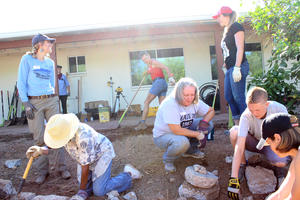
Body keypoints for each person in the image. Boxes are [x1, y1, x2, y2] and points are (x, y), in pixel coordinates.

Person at [26, 113, 142, 199]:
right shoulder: (64, 129)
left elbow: (85, 167)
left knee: (99, 191)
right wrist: (43, 149)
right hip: (84, 158)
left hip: (101, 154)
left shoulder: (83, 137)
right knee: (87, 188)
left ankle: (128, 175)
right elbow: (57, 140)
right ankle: (93, 183)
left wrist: (81, 191)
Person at [17, 33, 70, 184]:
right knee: (39, 137)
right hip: (34, 103)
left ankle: (61, 168)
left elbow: (51, 84)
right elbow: (21, 82)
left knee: (57, 133)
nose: (51, 46)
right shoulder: (26, 60)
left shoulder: (50, 62)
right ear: (39, 45)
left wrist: (54, 99)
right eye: (49, 43)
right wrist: (26, 103)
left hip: (51, 100)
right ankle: (43, 171)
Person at [227, 87, 290, 200]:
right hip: (254, 143)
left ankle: (278, 169)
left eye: (257, 110)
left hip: (272, 145)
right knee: (234, 132)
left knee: (282, 157)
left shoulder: (279, 109)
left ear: (267, 104)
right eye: (251, 110)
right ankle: (242, 165)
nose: (254, 113)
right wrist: (233, 179)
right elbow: (239, 148)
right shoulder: (246, 116)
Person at [153, 77, 215, 172]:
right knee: (182, 142)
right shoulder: (170, 104)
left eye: (192, 95)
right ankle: (168, 159)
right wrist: (198, 134)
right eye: (186, 95)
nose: (190, 98)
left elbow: (211, 111)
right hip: (164, 135)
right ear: (178, 93)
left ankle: (190, 151)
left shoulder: (194, 101)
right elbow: (176, 130)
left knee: (208, 124)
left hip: (183, 128)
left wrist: (203, 125)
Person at [213, 6, 249, 125]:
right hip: (230, 69)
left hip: (238, 66)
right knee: (229, 97)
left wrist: (237, 67)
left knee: (238, 97)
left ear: (226, 15)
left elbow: (240, 48)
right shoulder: (227, 31)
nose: (217, 20)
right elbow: (229, 52)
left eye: (218, 17)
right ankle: (238, 125)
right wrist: (225, 64)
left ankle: (247, 126)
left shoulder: (236, 27)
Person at [257, 113, 300, 200]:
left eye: (269, 143)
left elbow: (294, 198)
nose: (271, 148)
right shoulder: (296, 157)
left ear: (277, 138)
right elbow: (281, 193)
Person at [135, 52, 175, 131]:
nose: (145, 61)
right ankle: (167, 123)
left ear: (149, 56)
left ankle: (143, 123)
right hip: (162, 84)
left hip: (158, 83)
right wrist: (147, 72)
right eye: (143, 60)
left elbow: (165, 67)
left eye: (146, 58)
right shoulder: (150, 65)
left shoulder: (154, 62)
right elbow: (153, 71)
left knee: (146, 102)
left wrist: (170, 77)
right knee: (162, 105)